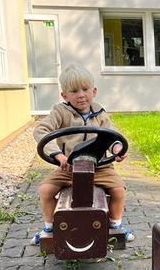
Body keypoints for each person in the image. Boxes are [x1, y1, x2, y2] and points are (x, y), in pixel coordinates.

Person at [31, 64, 134, 244]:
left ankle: (115, 225)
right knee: (45, 190)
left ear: (94, 91)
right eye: (74, 91)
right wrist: (58, 155)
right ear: (64, 95)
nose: (81, 95)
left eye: (85, 89)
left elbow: (111, 135)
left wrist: (117, 149)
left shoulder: (99, 114)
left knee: (119, 190)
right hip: (69, 168)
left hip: (100, 167)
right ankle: (50, 227)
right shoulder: (60, 112)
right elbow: (41, 131)